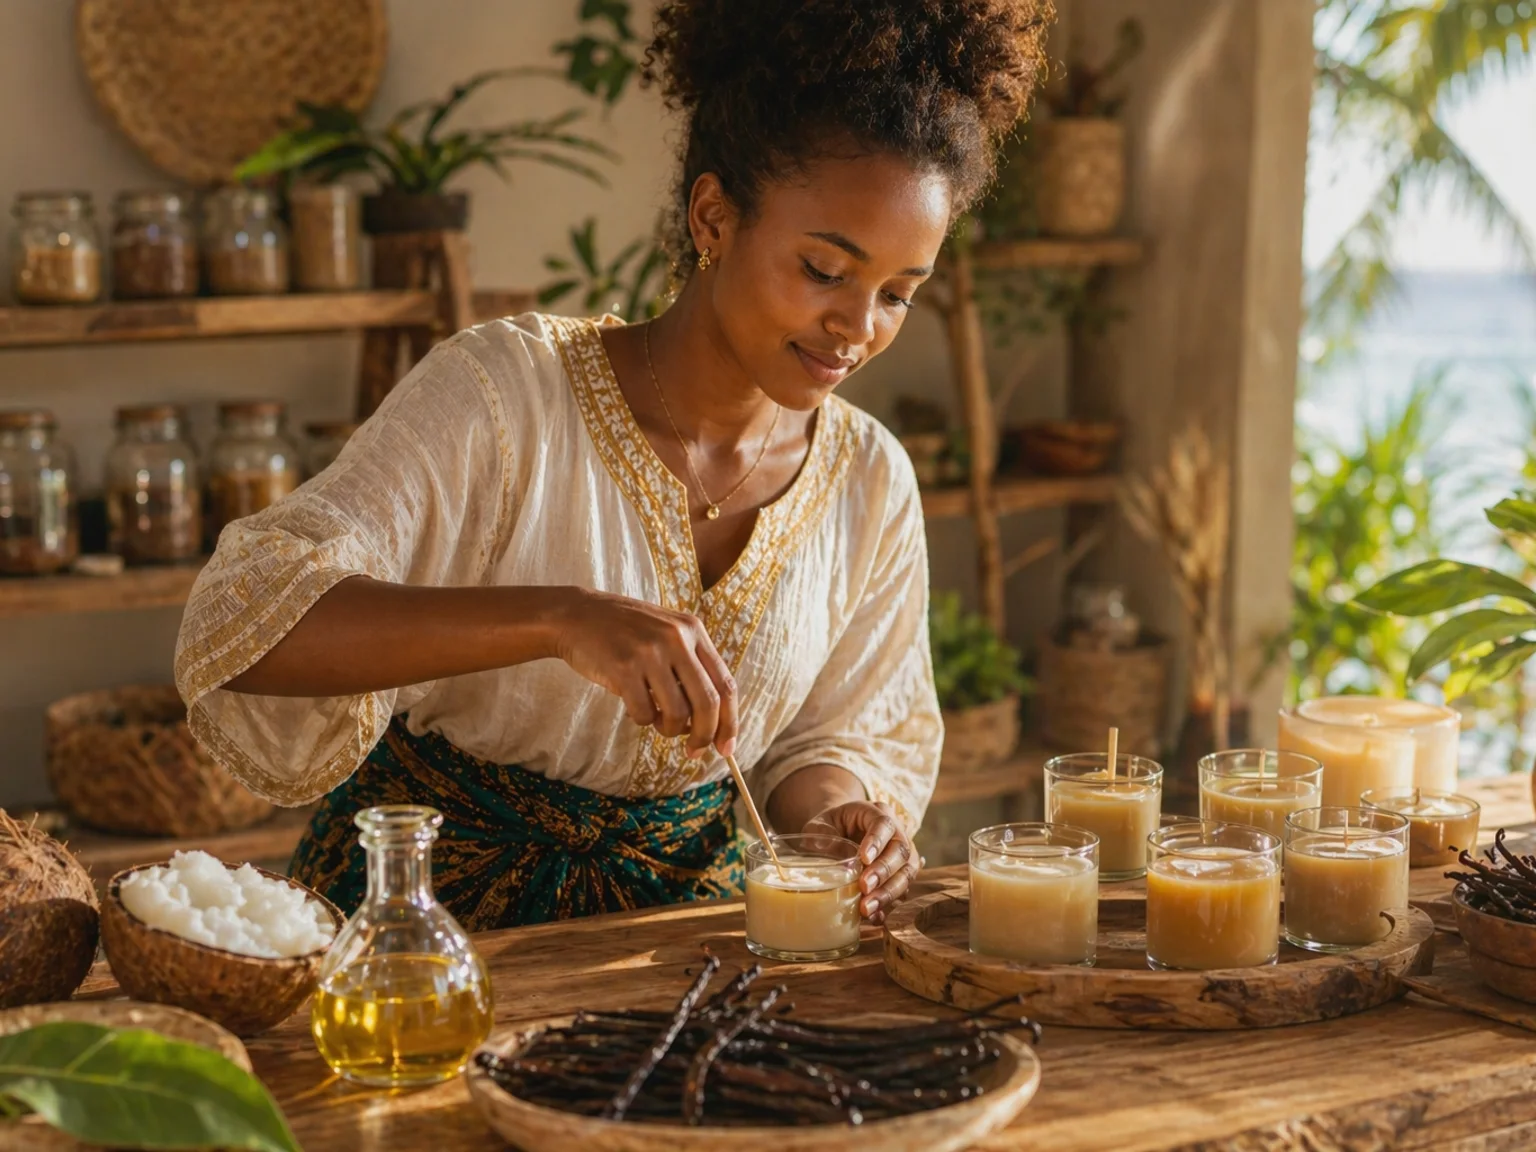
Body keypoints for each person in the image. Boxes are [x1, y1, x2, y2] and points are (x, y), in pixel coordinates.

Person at [174, 0, 1049, 932]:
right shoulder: (506, 394)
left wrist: (836, 815)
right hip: (422, 932)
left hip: (685, 944)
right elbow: (248, 626)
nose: (858, 327)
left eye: (898, 296)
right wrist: (560, 618)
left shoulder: (870, 482)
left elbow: (829, 733)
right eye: (825, 271)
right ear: (713, 216)